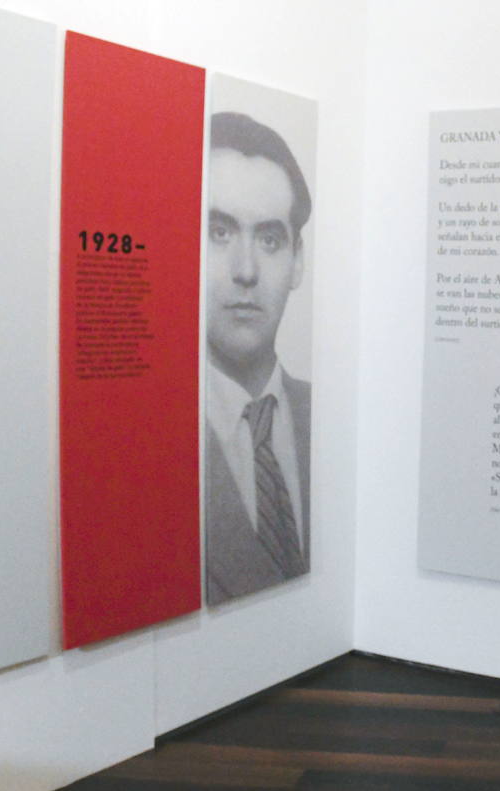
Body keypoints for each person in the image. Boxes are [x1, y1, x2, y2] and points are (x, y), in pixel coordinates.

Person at [204, 111, 313, 605]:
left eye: (269, 240)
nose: (245, 271)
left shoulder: (326, 417)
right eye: (219, 232)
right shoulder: (145, 437)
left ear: (297, 263)